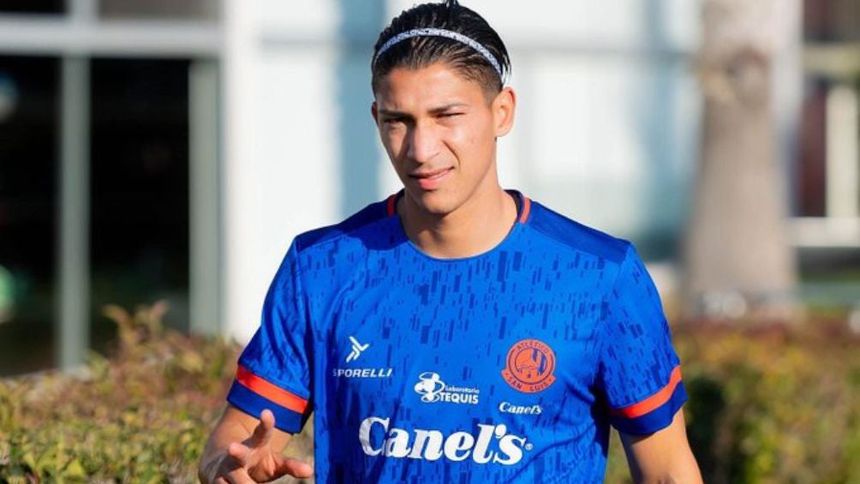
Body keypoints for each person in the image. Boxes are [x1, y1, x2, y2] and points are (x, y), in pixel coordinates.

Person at [198, 1, 702, 482]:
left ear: (502, 111)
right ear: (376, 120)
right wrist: (229, 467)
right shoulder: (321, 269)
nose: (421, 148)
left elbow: (667, 471)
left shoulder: (600, 277)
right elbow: (232, 442)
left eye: (447, 116)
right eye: (399, 121)